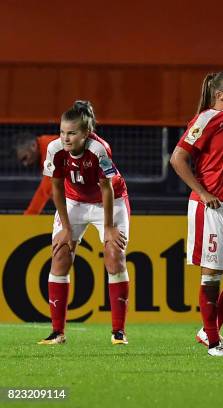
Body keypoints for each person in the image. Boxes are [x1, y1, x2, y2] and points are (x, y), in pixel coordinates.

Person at [170, 71, 223, 357]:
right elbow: (178, 158)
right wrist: (204, 193)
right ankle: (214, 342)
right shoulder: (205, 119)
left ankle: (208, 329)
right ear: (220, 95)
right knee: (212, 275)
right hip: (210, 208)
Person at [38, 101, 130, 346]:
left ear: (86, 133)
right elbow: (55, 188)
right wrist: (66, 228)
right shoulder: (55, 149)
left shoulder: (99, 149)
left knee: (114, 255)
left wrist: (109, 227)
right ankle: (57, 333)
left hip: (109, 201)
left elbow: (107, 188)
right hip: (73, 201)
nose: (65, 138)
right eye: (62, 132)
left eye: (72, 133)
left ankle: (118, 332)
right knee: (59, 255)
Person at [13, 132, 59, 214]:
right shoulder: (46, 147)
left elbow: (45, 188)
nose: (25, 164)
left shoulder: (50, 148)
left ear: (33, 146)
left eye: (25, 158)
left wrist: (29, 217)